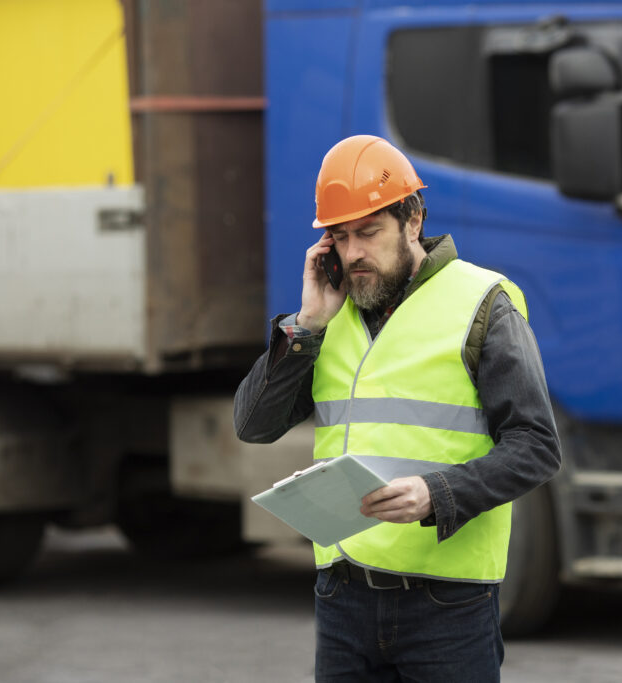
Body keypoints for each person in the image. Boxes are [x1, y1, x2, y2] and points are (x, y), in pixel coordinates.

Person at [234, 135, 560, 682]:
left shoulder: (483, 305)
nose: (353, 251)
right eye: (339, 236)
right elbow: (253, 425)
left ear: (413, 221)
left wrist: (437, 493)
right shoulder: (326, 316)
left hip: (447, 607)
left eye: (369, 231)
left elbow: (536, 446)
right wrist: (306, 326)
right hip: (342, 597)